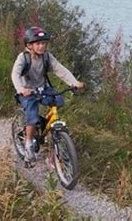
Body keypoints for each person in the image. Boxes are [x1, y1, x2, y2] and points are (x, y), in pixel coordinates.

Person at [11, 26, 84, 162]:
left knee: (58, 101)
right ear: (29, 45)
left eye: (43, 43)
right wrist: (21, 88)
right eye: (38, 43)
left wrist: (73, 82)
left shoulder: (47, 57)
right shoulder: (23, 58)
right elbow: (15, 74)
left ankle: (50, 132)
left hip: (42, 88)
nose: (41, 46)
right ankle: (28, 145)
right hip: (27, 91)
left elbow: (60, 69)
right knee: (32, 116)